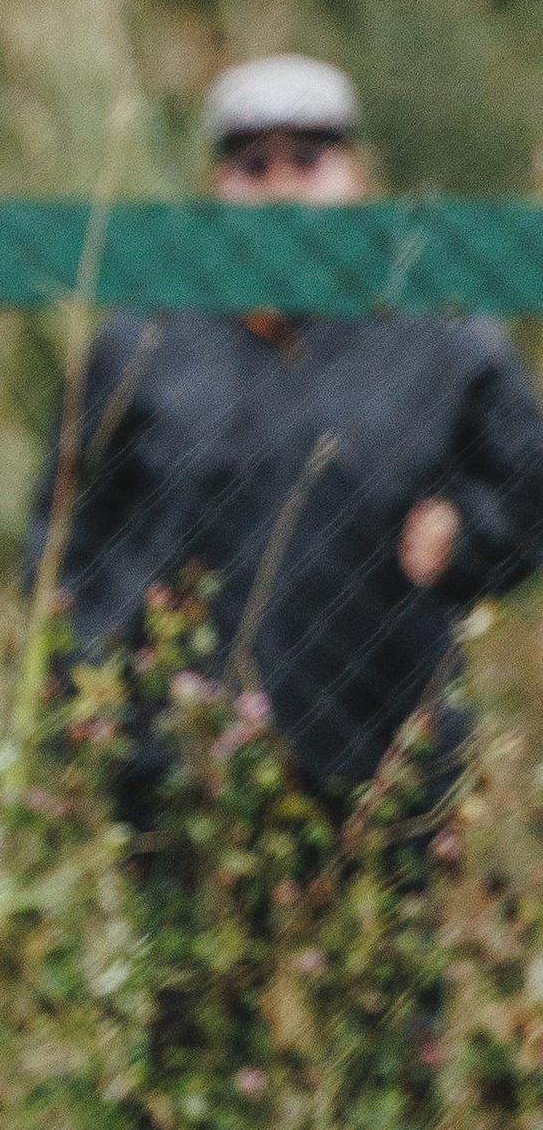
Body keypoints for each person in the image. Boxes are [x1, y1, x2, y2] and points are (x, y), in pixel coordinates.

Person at [34, 53, 543, 811]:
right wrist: (87, 700)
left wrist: (468, 531)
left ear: (358, 176)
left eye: (308, 161)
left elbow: (526, 491)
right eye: (251, 164)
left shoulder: (444, 336)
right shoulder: (143, 340)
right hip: (169, 772)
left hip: (381, 764)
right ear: (215, 188)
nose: (279, 188)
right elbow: (67, 538)